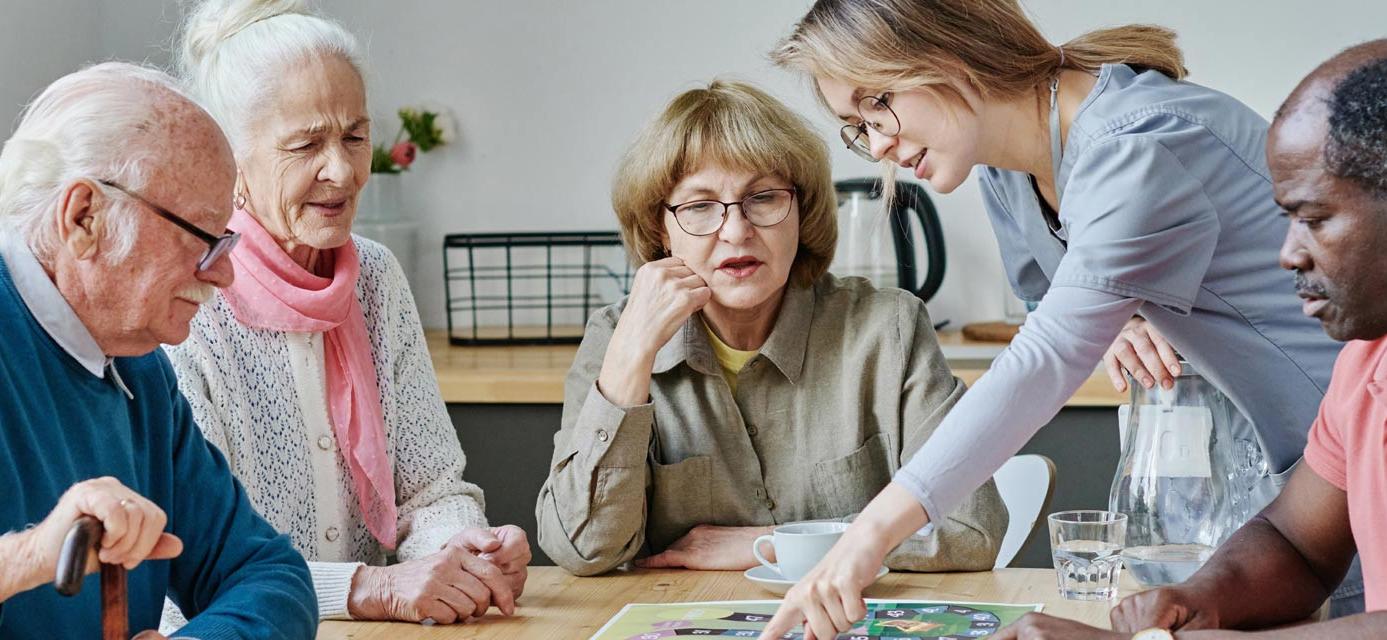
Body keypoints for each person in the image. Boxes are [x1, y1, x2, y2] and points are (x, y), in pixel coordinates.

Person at [759, 1, 1356, 637]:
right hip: (1310, 485)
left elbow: (1046, 356)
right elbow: (1052, 299)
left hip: (1355, 448)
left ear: (948, 50)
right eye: (857, 125)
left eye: (878, 103)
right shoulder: (1008, 169)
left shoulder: (1137, 145)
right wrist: (1121, 312)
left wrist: (868, 535)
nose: (878, 143)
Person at [986, 40, 1387, 640]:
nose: (1288, 254)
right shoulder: (1364, 362)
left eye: (1315, 218)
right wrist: (1201, 597)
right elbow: (1297, 542)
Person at [535, 80, 1006, 576]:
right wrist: (630, 361)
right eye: (699, 207)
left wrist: (775, 544)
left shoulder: (888, 328)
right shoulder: (616, 337)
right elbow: (582, 549)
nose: (737, 232)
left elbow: (970, 529)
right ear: (661, 229)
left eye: (762, 198)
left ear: (801, 211)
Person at [160, 0, 528, 628]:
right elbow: (193, 564)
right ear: (231, 160)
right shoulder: (187, 298)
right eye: (306, 145)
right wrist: (368, 587)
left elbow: (431, 488)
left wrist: (462, 551)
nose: (342, 170)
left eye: (355, 136)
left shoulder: (375, 276)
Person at [0, 62, 315, 639]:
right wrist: (33, 555)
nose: (223, 276)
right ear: (84, 217)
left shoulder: (139, 368)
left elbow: (268, 574)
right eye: (201, 237)